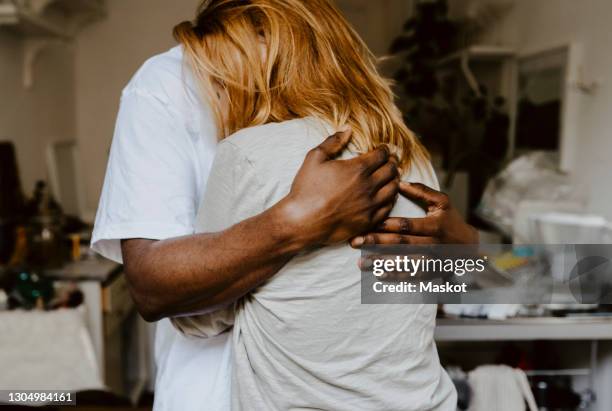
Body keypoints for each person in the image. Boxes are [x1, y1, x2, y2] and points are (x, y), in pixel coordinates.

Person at [91, 1, 478, 410]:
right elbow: (396, 295)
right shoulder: (407, 150)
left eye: (224, 82)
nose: (220, 93)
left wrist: (464, 250)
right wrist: (297, 223)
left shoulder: (247, 153)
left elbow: (197, 319)